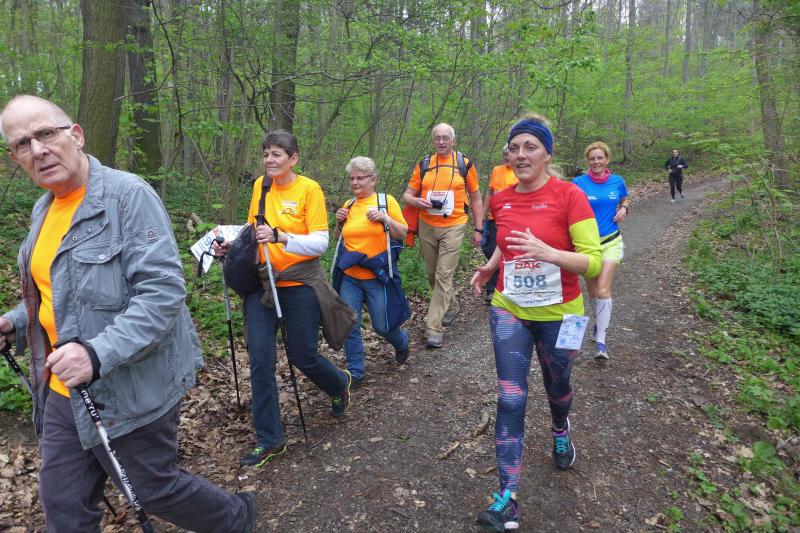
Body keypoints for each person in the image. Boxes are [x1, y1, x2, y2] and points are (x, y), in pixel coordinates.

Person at [0, 95, 256, 532]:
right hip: (64, 389)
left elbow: (163, 293)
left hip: (129, 384)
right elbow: (56, 293)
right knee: (62, 502)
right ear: (15, 158)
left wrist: (95, 354)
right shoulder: (44, 209)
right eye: (23, 143)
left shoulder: (127, 196)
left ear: (76, 135)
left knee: (152, 487)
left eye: (45, 133)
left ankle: (235, 517)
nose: (38, 149)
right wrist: (15, 323)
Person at [470, 114, 601, 532]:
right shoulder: (501, 199)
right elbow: (508, 244)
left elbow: (593, 262)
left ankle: (560, 427)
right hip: (510, 307)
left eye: (530, 147)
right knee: (510, 397)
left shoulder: (570, 196)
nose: (521, 155)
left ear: (547, 154)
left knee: (557, 387)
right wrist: (492, 266)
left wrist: (550, 253)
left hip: (562, 313)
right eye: (514, 148)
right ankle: (507, 497)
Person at [213, 129, 353, 468]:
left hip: (299, 283)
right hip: (262, 284)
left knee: (303, 356)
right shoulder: (260, 187)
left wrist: (280, 237)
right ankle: (270, 439)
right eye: (265, 154)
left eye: (276, 154)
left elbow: (320, 243)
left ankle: (338, 384)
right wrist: (233, 246)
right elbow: (252, 231)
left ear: (293, 158)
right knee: (261, 360)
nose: (269, 160)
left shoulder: (309, 189)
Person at [402, 123, 484, 348]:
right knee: (432, 275)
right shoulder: (424, 164)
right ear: (433, 140)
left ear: (453, 140)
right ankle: (452, 305)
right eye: (437, 138)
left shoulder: (464, 164)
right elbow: (407, 195)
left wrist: (478, 228)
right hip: (427, 224)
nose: (441, 142)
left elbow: (476, 197)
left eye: (445, 138)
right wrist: (416, 201)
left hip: (454, 225)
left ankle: (434, 329)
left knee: (443, 275)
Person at [333, 157, 410, 387]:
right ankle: (355, 372)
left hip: (377, 276)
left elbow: (403, 233)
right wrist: (338, 222)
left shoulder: (386, 202)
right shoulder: (349, 205)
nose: (355, 182)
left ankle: (401, 342)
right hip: (351, 277)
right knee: (350, 324)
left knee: (382, 326)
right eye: (351, 178)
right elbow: (338, 238)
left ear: (373, 179)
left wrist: (385, 218)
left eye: (360, 178)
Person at [572, 142, 630, 360]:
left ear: (607, 159)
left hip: (611, 241)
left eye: (600, 158)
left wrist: (624, 208)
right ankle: (599, 323)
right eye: (592, 158)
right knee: (593, 290)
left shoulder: (617, 181)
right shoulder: (578, 183)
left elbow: (624, 197)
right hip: (587, 245)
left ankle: (601, 342)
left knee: (603, 289)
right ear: (587, 161)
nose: (596, 162)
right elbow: (566, 206)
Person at [480, 144, 517, 303]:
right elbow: (490, 194)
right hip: (494, 219)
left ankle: (502, 288)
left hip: (513, 221)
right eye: (505, 155)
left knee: (509, 253)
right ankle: (492, 288)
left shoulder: (520, 173)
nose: (507, 157)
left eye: (510, 154)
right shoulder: (497, 170)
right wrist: (482, 215)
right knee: (489, 250)